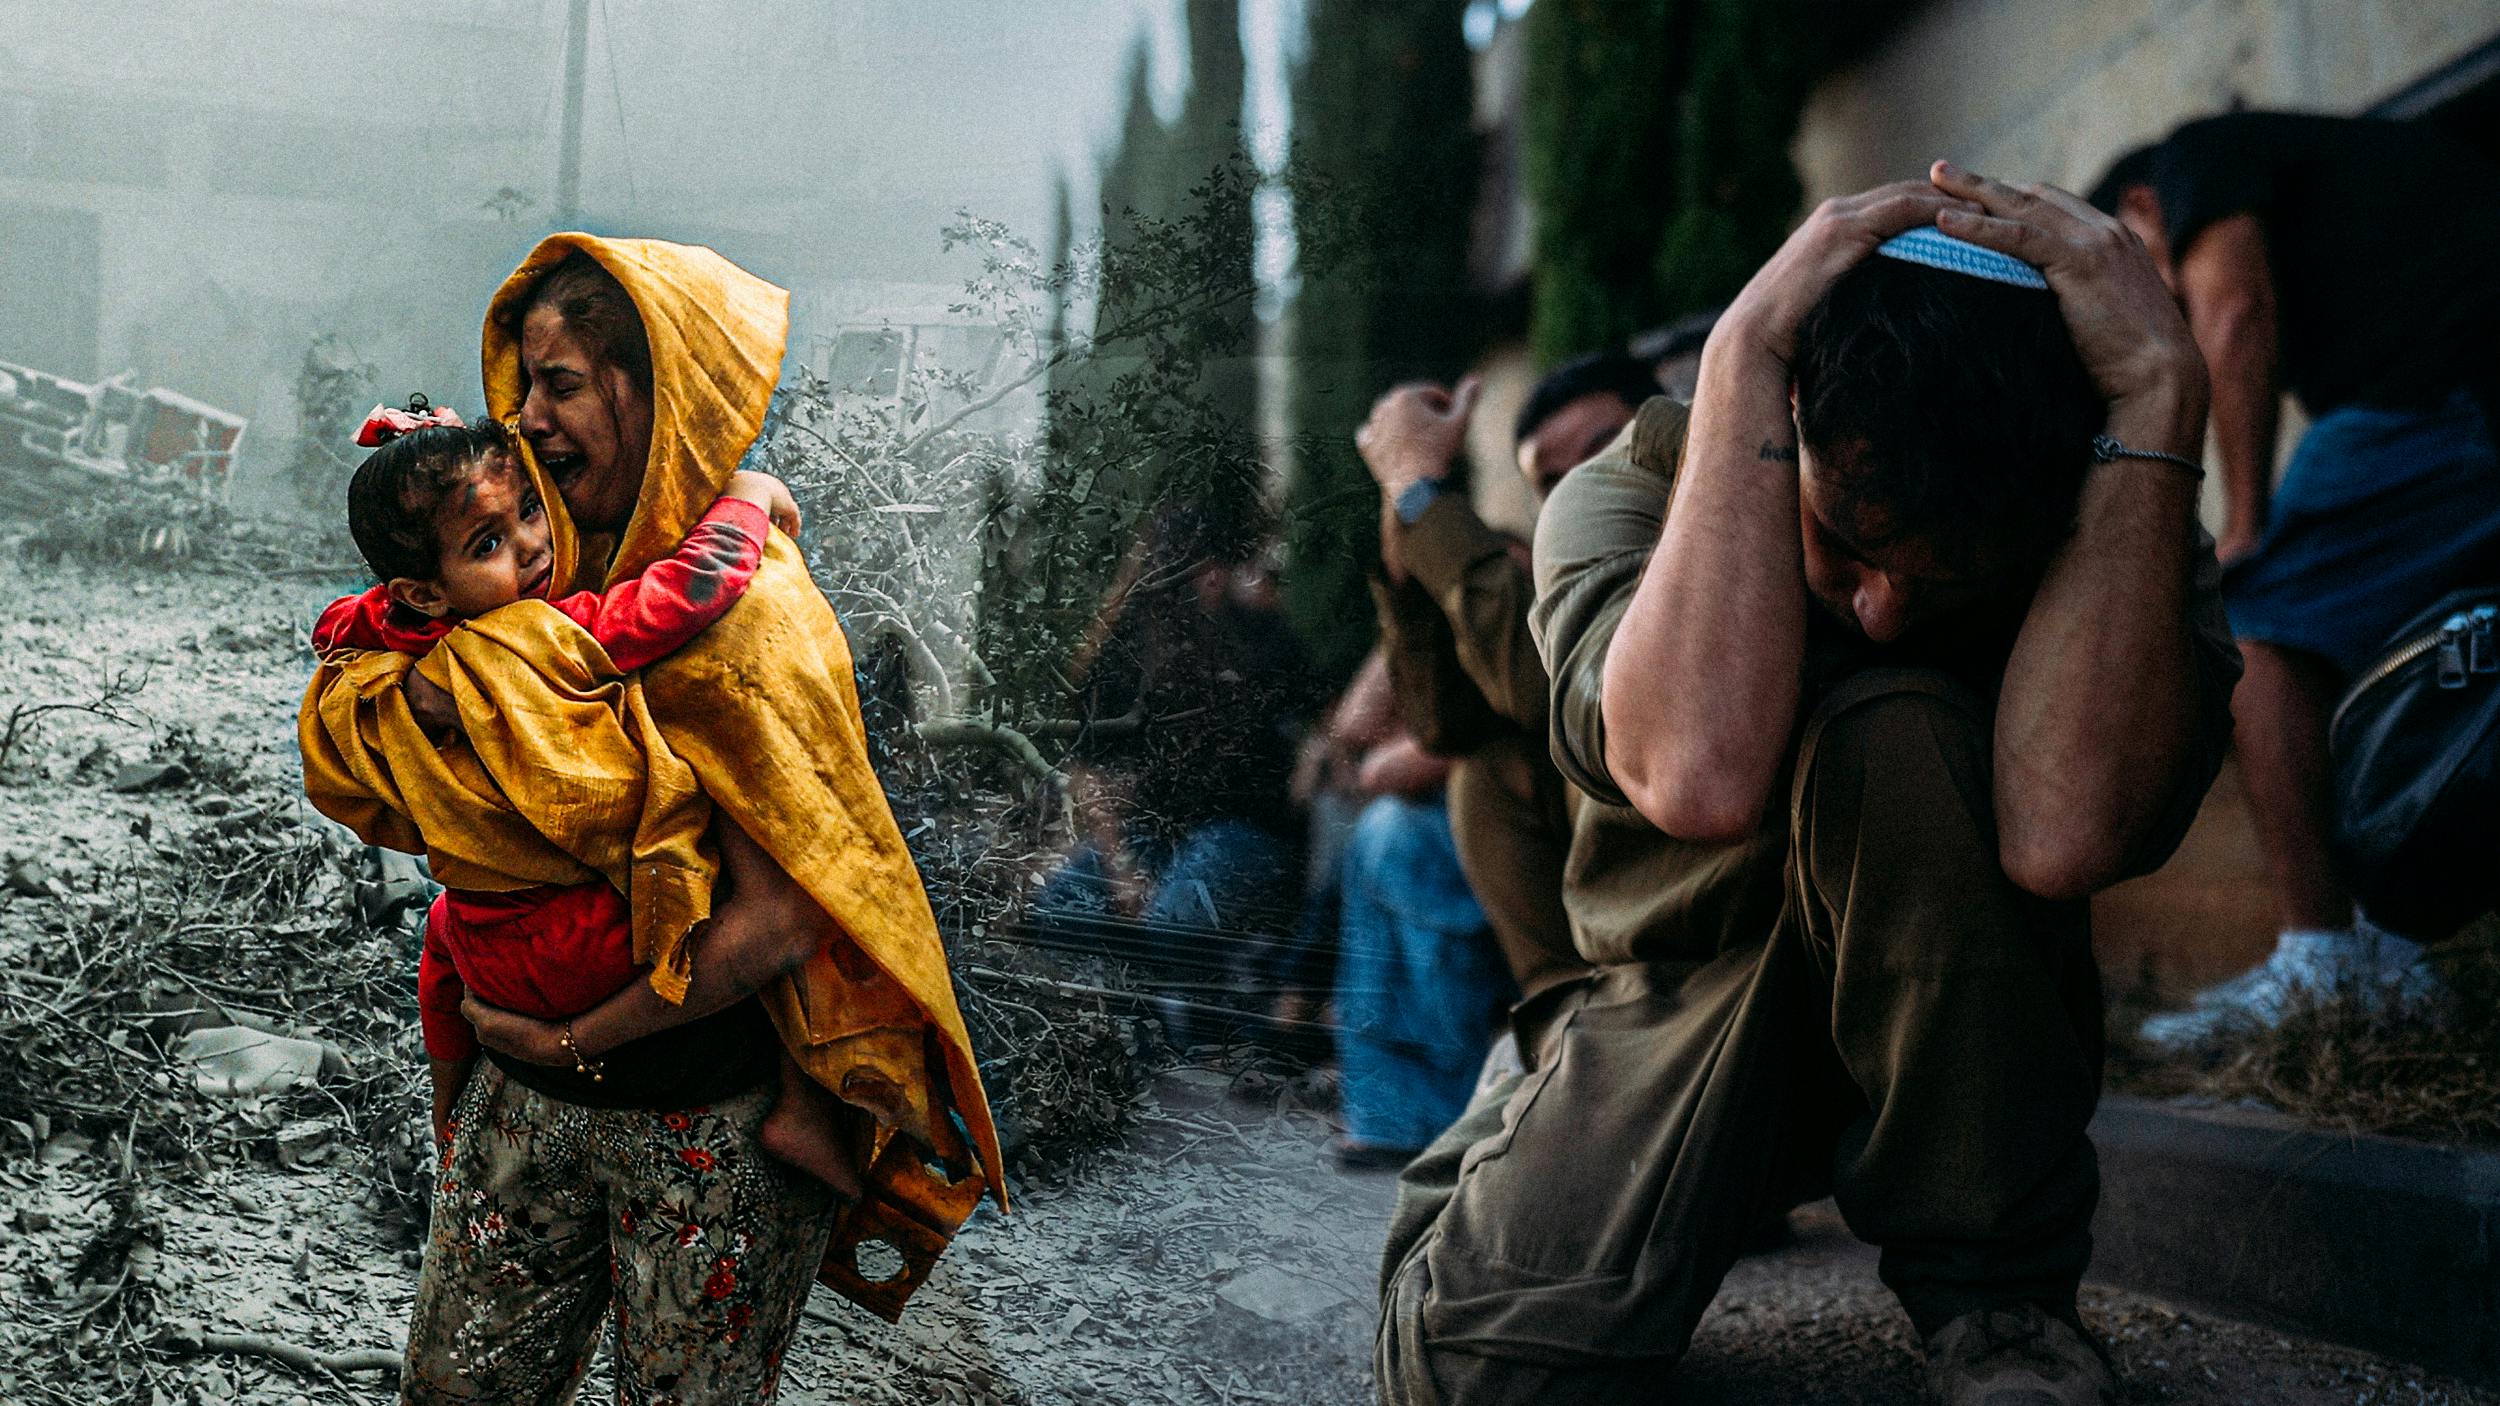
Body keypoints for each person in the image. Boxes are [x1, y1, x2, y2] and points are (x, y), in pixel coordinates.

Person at [1373, 165, 2240, 1406]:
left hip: (1950, 1019)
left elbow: (2063, 833)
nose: (1881, 606)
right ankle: (1527, 1095)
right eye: (1847, 542)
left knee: (1898, 724)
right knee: (1477, 1380)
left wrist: (2164, 381)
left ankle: (1996, 1300)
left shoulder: (2111, 513)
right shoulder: (1632, 487)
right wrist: (1744, 353)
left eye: (1934, 574)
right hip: (1684, 997)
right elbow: (1695, 773)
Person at [302, 239, 1004, 1399]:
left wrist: (567, 1039)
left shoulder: (747, 616)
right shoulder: (540, 573)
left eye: (561, 384)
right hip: (522, 1112)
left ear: (654, 390)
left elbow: (780, 919)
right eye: (523, 384)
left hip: (708, 1135)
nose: (527, 418)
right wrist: (403, 690)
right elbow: (357, 739)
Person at [312, 400, 873, 1195]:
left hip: (489, 956)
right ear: (428, 592)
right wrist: (746, 496)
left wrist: (368, 619)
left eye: (531, 509)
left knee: (440, 936)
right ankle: (804, 1110)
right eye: (490, 543)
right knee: (730, 889)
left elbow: (340, 626)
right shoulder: (536, 636)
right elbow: (677, 596)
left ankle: (448, 1116)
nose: (534, 546)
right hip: (587, 960)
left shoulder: (401, 645)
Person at [2090, 112, 2500, 1040]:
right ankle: (2393, 949)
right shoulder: (2331, 184)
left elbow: (2234, 315)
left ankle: (2325, 963)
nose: (2161, 320)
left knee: (2259, 620)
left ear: (2141, 209)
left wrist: (2241, 527)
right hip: (2454, 399)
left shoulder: (2196, 156)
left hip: (2449, 393)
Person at [1357, 353, 1661, 1057]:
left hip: (1705, 962)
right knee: (1480, 768)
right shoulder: (1569, 574)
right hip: (1592, 965)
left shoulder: (1693, 553)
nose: (1585, 489)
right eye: (1552, 483)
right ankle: (1563, 1032)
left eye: (1605, 451)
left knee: (1394, 834)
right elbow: (1445, 724)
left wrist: (1419, 494)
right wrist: (1400, 495)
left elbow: (1547, 688)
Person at [1321, 649, 1511, 1168]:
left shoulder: (1512, 598)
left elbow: (1503, 727)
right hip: (1462, 808)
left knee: (1393, 835)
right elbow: (1354, 725)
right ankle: (1394, 1112)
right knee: (1376, 829)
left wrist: (1391, 761)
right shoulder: (1446, 610)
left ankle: (1424, 1111)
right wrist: (1410, 603)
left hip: (1521, 809)